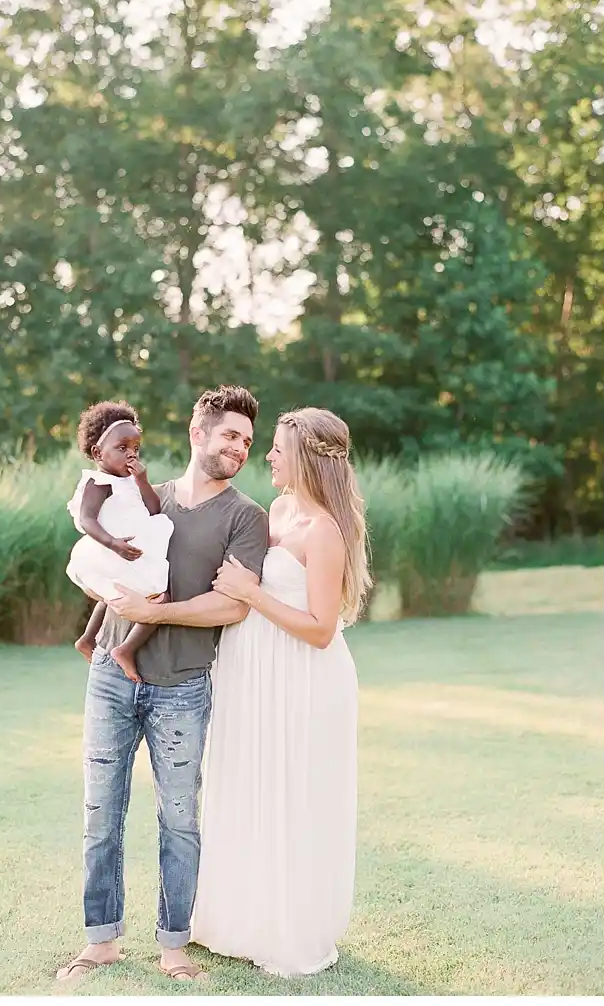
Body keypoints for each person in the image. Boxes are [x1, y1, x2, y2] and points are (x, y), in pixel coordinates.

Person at [56, 385, 269, 984]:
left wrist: (156, 613)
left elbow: (232, 607)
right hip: (110, 677)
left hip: (183, 687)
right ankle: (100, 941)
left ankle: (174, 947)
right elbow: (93, 551)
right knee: (101, 813)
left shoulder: (247, 518)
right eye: (230, 436)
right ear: (198, 433)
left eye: (248, 442)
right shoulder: (142, 496)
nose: (240, 449)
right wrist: (98, 583)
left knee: (179, 821)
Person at [190, 407, 372, 978]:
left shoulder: (325, 531)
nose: (267, 456)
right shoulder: (277, 511)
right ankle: (240, 921)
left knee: (293, 798)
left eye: (277, 448)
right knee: (251, 788)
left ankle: (290, 932)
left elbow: (320, 629)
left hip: (304, 679)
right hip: (255, 674)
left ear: (306, 458)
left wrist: (251, 593)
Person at [66, 401, 173, 683]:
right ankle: (125, 649)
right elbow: (87, 520)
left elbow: (154, 510)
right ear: (97, 453)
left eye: (136, 448)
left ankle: (87, 639)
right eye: (122, 448)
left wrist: (143, 480)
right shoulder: (98, 482)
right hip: (112, 550)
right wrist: (113, 544)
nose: (131, 454)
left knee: (117, 593)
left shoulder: (130, 481)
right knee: (159, 595)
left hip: (129, 551)